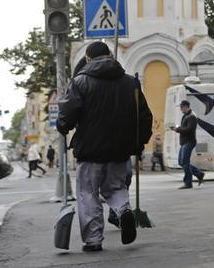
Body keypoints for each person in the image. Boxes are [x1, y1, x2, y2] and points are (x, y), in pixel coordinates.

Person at [57, 41, 153, 253]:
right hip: (120, 150)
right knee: (116, 188)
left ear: (88, 59)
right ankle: (123, 210)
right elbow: (144, 116)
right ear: (110, 55)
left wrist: (63, 126)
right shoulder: (131, 83)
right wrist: (139, 144)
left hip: (90, 150)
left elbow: (68, 112)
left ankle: (93, 240)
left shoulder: (80, 82)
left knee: (88, 193)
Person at [170, 100, 205, 189]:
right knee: (181, 162)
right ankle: (199, 173)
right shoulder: (185, 116)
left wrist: (177, 129)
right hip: (184, 142)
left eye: (182, 107)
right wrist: (177, 128)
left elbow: (189, 130)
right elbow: (184, 128)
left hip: (189, 142)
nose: (181, 109)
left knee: (185, 162)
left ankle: (188, 183)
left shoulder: (192, 116)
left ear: (186, 106)